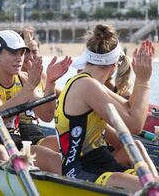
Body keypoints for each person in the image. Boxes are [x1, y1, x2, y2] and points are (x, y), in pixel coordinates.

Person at [55, 24, 155, 193]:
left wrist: (139, 77)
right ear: (115, 64)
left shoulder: (91, 83)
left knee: (153, 181)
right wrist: (144, 81)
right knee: (148, 186)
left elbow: (130, 108)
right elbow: (134, 125)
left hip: (103, 164)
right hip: (79, 170)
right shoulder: (86, 86)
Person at [0, 30, 71, 174]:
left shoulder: (24, 79)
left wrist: (50, 83)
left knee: (54, 159)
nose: (19, 58)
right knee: (0, 152)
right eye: (13, 53)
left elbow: (46, 115)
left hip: (16, 144)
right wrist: (30, 87)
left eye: (22, 53)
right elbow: (0, 119)